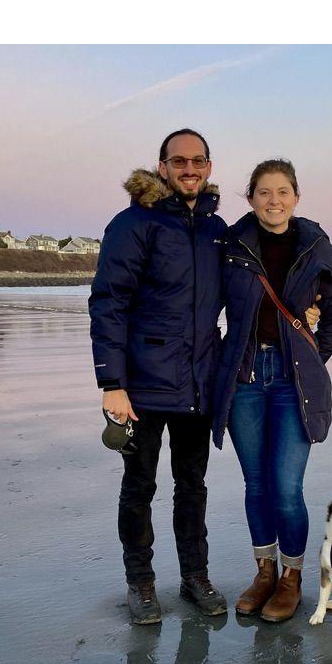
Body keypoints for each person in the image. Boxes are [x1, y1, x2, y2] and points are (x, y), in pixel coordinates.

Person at [89, 128, 229, 625]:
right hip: (142, 385)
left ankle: (195, 576)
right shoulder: (133, 224)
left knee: (192, 485)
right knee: (140, 486)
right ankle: (141, 584)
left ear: (209, 167)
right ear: (162, 166)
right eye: (179, 161)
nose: (189, 169)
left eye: (198, 161)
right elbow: (109, 303)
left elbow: (247, 291)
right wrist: (112, 382)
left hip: (198, 383)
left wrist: (308, 307)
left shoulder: (217, 230)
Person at [211, 159, 332, 622]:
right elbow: (208, 307)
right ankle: (264, 572)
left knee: (287, 487)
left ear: (296, 196)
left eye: (283, 191)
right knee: (255, 484)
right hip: (246, 378)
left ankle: (291, 578)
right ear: (250, 197)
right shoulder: (231, 244)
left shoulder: (315, 246)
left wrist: (309, 362)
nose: (274, 200)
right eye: (264, 192)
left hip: (292, 382)